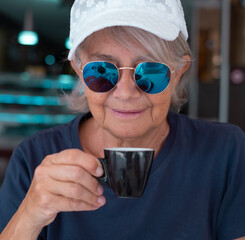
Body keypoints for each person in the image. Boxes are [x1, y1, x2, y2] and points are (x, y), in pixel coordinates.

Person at [0, 0, 245, 239]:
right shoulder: (34, 157)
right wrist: (29, 214)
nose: (126, 93)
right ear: (79, 70)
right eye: (102, 71)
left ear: (178, 73)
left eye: (151, 70)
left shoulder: (226, 153)